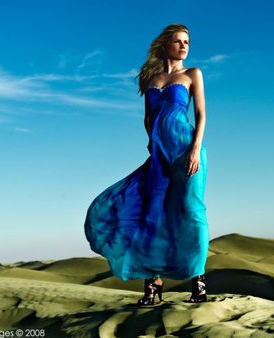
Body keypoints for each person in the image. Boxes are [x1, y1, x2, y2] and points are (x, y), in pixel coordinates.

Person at [84, 23, 209, 305]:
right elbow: (148, 117)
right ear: (165, 45)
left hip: (186, 150)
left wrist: (195, 149)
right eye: (177, 41)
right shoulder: (152, 79)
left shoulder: (193, 74)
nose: (184, 46)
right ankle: (153, 285)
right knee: (152, 215)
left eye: (187, 41)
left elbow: (201, 114)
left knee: (191, 212)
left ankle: (198, 282)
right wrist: (152, 143)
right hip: (159, 155)